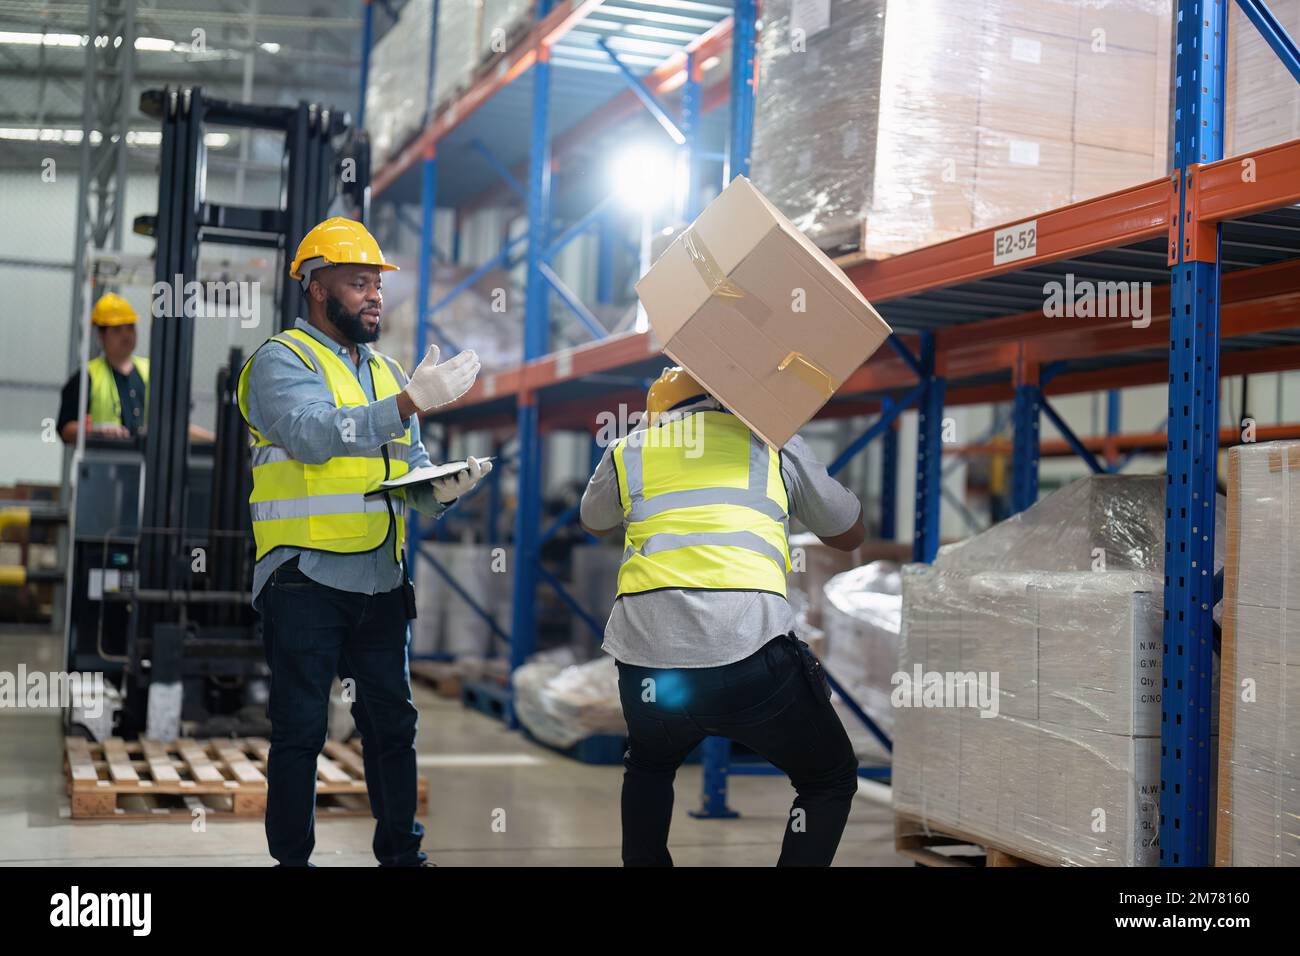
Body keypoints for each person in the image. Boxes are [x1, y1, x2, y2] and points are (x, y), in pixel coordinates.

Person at [237, 216, 491, 868]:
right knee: (300, 729)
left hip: (381, 576)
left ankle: (403, 856)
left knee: (393, 726)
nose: (374, 296)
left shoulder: (386, 371)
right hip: (306, 578)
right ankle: (292, 861)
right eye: (358, 283)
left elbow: (407, 467)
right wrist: (407, 404)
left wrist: (442, 487)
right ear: (317, 289)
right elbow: (312, 434)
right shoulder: (280, 361)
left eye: (377, 284)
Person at [580, 366, 866, 867]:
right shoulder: (775, 443)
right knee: (828, 778)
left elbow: (594, 520)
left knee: (649, 765)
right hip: (748, 658)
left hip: (651, 669)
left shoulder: (630, 449)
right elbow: (847, 532)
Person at [57, 292, 214, 444]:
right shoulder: (86, 377)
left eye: (130, 327)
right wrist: (99, 432)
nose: (126, 335)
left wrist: (217, 440)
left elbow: (175, 426)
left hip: (151, 463)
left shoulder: (154, 371)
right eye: (117, 329)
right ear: (101, 336)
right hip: (105, 464)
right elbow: (66, 429)